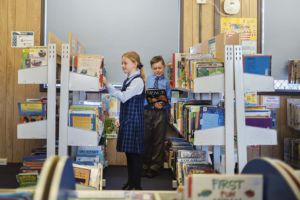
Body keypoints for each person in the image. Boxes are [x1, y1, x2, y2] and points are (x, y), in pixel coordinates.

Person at [103, 51, 146, 190]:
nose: (123, 65)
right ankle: (131, 182)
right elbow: (126, 103)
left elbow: (123, 97)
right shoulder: (128, 78)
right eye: (122, 63)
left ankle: (136, 185)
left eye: (125, 63)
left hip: (134, 122)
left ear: (135, 63)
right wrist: (120, 118)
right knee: (129, 155)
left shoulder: (138, 81)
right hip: (128, 120)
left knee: (135, 156)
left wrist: (108, 85)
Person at [143, 56, 171, 178]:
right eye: (155, 68)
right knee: (146, 139)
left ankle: (154, 167)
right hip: (148, 112)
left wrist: (163, 104)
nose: (157, 70)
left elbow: (169, 98)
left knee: (158, 140)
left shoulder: (167, 82)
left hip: (161, 113)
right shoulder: (148, 79)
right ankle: (145, 165)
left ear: (163, 67)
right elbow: (145, 96)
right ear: (152, 69)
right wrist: (152, 102)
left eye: (160, 67)